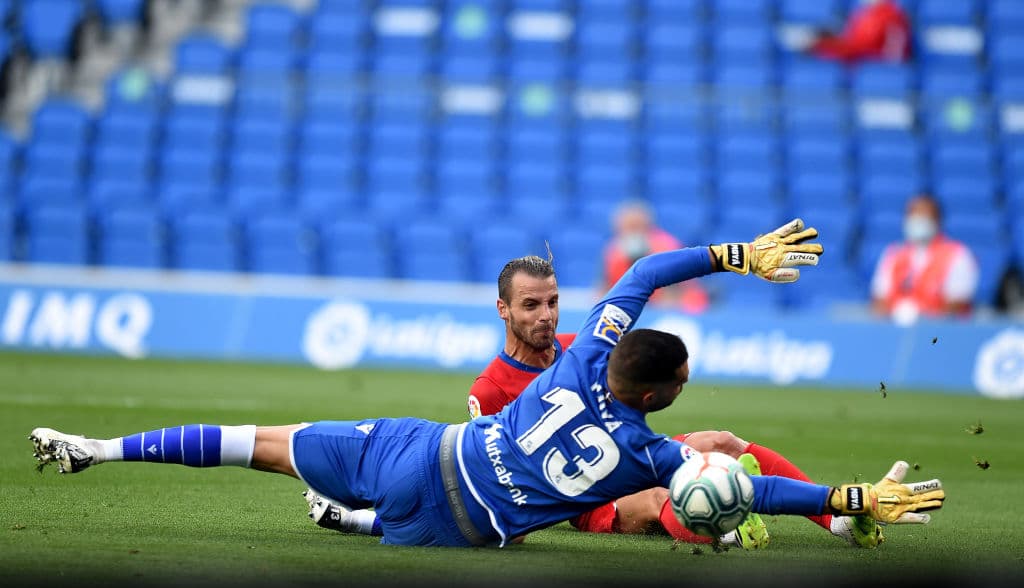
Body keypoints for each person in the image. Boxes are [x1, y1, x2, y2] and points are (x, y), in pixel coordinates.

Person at [30, 220, 945, 548]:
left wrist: (732, 253)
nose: (550, 313)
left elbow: (645, 278)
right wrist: (843, 492)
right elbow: (754, 488)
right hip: (460, 530)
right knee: (717, 475)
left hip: (420, 453)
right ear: (661, 394)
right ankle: (356, 521)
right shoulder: (647, 451)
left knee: (262, 446)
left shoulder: (586, 354)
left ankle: (106, 449)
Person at [871, 194, 980, 324]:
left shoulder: (957, 255)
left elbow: (957, 302)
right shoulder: (893, 254)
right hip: (898, 330)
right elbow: (880, 299)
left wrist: (922, 317)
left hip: (940, 335)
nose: (918, 219)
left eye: (924, 215)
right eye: (913, 214)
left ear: (937, 219)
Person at [603, 200, 709, 314]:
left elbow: (673, 295)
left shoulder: (665, 248)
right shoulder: (614, 250)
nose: (631, 232)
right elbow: (607, 288)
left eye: (635, 227)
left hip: (684, 308)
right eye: (627, 228)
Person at [807, 0, 911, 64]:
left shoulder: (893, 14)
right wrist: (822, 45)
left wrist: (825, 45)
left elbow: (894, 55)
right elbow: (852, 42)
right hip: (858, 62)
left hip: (873, 68)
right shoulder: (862, 13)